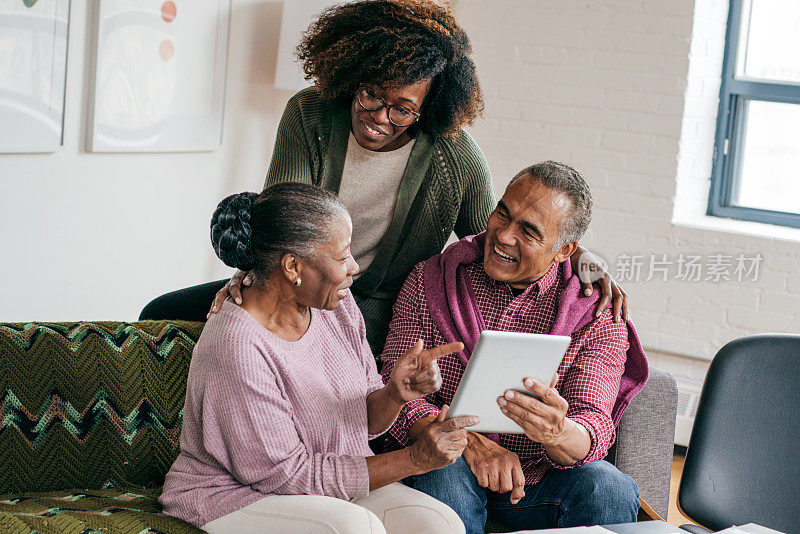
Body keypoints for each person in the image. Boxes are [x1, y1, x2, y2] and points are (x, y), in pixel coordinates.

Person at [209, 0, 628, 356]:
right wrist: (250, 278)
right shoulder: (310, 114)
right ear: (353, 74)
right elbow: (280, 221)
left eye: (402, 109)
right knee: (164, 308)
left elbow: (500, 233)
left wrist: (579, 255)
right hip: (293, 291)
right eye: (372, 93)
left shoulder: (455, 157)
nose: (378, 118)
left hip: (376, 318)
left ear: (428, 110)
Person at [160, 182, 480, 534]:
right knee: (354, 528)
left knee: (440, 524)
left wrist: (394, 394)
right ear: (293, 267)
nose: (354, 267)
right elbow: (285, 475)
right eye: (342, 257)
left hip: (326, 482)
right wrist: (415, 459)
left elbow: (361, 422)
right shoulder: (238, 345)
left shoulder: (334, 306)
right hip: (235, 495)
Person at [379, 161, 649, 533]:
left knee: (609, 489)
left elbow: (593, 423)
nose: (503, 236)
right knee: (442, 470)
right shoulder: (433, 278)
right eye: (501, 214)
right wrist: (469, 444)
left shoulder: (597, 312)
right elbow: (391, 389)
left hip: (535, 483)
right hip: (446, 462)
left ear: (564, 250)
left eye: (528, 231)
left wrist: (557, 431)